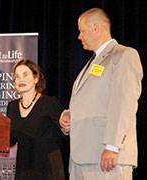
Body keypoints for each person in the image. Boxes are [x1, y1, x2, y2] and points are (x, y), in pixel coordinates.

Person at [59, 8, 143, 180]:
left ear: (96, 28)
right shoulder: (92, 62)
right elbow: (92, 101)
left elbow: (125, 103)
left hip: (105, 157)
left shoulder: (124, 55)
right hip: (82, 158)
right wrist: (69, 116)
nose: (79, 36)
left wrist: (112, 147)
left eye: (82, 31)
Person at [7, 59, 65, 180]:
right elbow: (10, 140)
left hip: (48, 167)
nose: (20, 79)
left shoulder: (49, 103)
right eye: (17, 77)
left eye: (25, 75)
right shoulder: (12, 107)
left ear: (36, 79)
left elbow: (66, 132)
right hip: (23, 168)